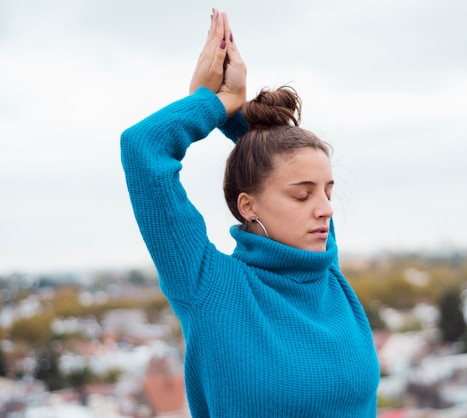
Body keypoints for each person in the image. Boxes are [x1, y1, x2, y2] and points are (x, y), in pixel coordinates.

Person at [120, 9, 379, 417]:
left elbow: (269, 162)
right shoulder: (209, 287)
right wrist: (210, 105)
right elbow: (142, 149)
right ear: (248, 205)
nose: (326, 210)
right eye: (302, 195)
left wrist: (243, 118)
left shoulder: (326, 272)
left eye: (328, 192)